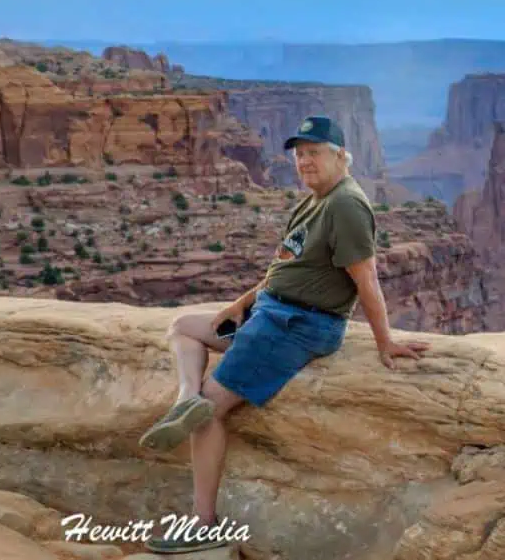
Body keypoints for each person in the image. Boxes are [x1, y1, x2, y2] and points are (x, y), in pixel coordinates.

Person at [138, 115, 430, 554]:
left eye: (314, 153)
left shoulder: (346, 205)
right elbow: (285, 266)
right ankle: (184, 399)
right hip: (271, 310)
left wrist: (385, 341)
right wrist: (242, 303)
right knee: (183, 327)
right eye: (299, 154)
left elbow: (367, 280)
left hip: (297, 325)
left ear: (340, 156)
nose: (304, 161)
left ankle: (203, 521)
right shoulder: (316, 199)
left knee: (212, 410)